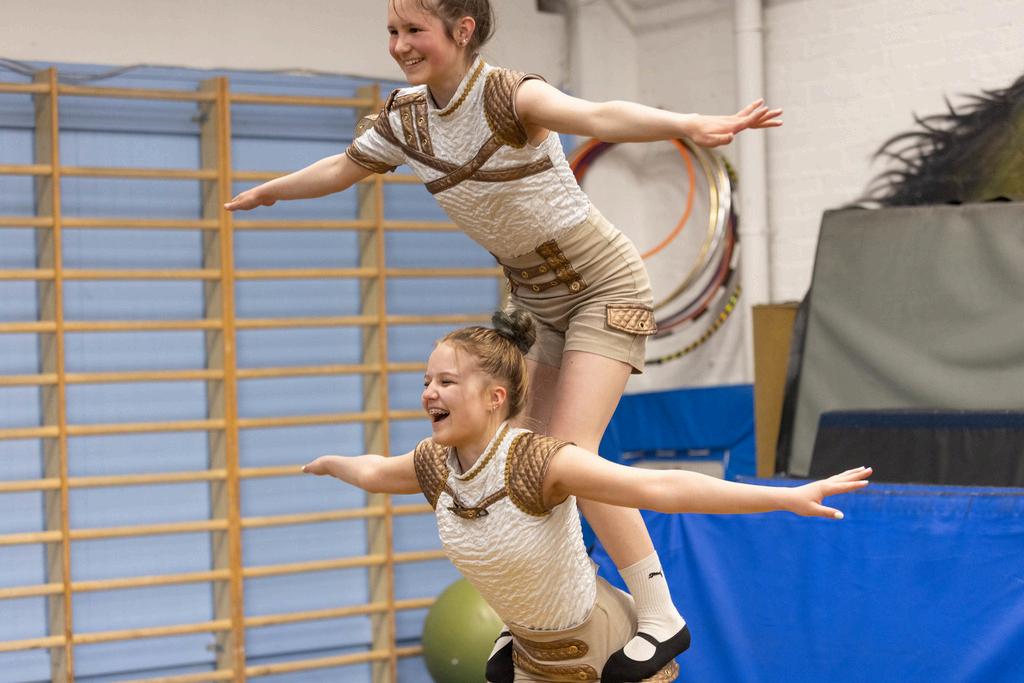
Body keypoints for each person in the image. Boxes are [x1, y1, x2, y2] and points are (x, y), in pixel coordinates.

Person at [225, 0, 783, 678]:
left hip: (602, 286)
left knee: (568, 454)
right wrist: (273, 192)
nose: (400, 46)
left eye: (414, 30)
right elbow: (342, 167)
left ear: (462, 31)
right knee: (507, 462)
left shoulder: (507, 96)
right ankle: (546, 614)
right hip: (536, 300)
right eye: (393, 32)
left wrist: (688, 124)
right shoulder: (405, 119)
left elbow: (600, 116)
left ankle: (661, 614)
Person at [302, 311, 872, 683]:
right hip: (531, 655)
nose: (430, 392)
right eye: (426, 381)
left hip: (605, 645)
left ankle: (660, 616)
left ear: (496, 397)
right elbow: (377, 472)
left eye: (446, 382)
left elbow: (660, 488)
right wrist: (332, 464)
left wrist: (785, 497)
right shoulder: (433, 464)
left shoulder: (541, 462)